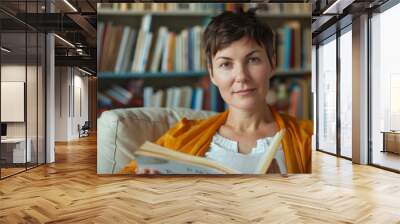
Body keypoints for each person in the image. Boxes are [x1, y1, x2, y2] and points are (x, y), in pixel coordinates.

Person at [121, 8, 313, 175]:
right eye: (226, 64)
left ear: (272, 64)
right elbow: (125, 182)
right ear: (212, 74)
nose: (241, 76)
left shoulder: (310, 137)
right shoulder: (184, 135)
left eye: (253, 60)